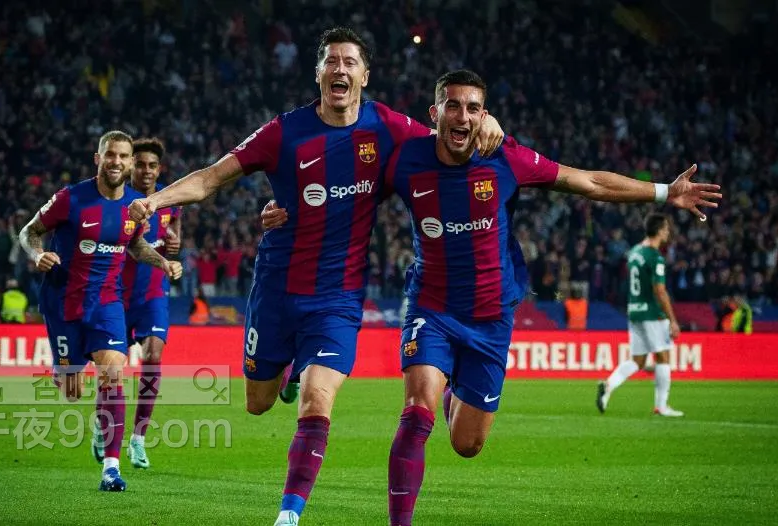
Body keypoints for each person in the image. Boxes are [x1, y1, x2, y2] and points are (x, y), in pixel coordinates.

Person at [128, 27, 504, 526]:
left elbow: (449, 136)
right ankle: (285, 371)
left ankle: (289, 514)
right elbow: (211, 178)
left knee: (318, 400)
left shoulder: (387, 126)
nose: (340, 69)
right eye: (332, 61)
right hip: (277, 289)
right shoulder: (284, 132)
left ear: (364, 76)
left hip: (338, 297)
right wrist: (155, 200)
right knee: (258, 403)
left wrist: (488, 123)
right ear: (319, 73)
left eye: (350, 62)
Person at [377, 70, 719, 525]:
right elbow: (351, 186)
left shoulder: (504, 157)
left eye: (473, 108)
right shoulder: (406, 159)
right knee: (416, 412)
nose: (463, 116)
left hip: (490, 318)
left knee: (467, 444)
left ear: (484, 114)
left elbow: (590, 183)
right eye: (452, 106)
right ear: (434, 113)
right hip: (431, 306)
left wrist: (663, 192)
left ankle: (455, 384)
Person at [18, 130, 183, 492]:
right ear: (98, 158)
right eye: (110, 155)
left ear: (129, 162)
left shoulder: (137, 205)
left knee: (113, 375)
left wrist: (162, 262)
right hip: (63, 302)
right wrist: (37, 254)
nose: (116, 162)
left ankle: (111, 468)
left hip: (108, 301)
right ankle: (66, 370)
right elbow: (29, 232)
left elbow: (136, 245)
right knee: (71, 390)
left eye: (123, 156)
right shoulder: (71, 198)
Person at [98, 137, 180, 470]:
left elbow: (174, 233)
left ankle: (138, 439)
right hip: (115, 294)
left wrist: (174, 245)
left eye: (152, 165)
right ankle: (104, 428)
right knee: (111, 369)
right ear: (131, 166)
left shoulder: (169, 201)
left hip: (153, 293)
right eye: (141, 164)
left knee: (153, 356)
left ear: (159, 169)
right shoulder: (117, 200)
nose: (146, 170)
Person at [597, 214, 685, 417]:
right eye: (666, 228)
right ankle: (661, 406)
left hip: (634, 311)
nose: (668, 232)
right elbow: (660, 291)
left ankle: (608, 386)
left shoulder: (634, 252)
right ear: (660, 230)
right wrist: (672, 320)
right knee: (663, 357)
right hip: (652, 313)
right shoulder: (655, 257)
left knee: (638, 360)